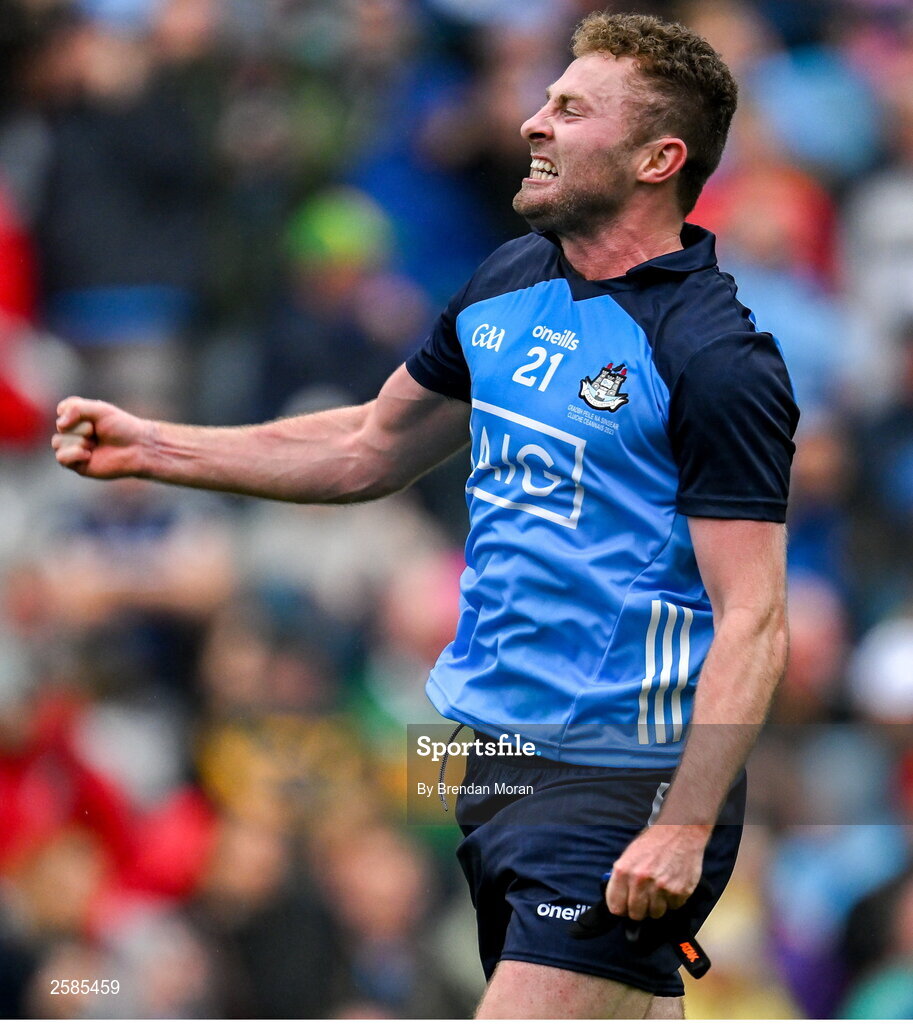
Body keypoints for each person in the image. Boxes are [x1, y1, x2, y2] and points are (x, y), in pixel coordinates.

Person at [52, 11, 799, 1020]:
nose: (532, 121)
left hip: (625, 774)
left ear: (658, 157)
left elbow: (752, 614)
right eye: (542, 97)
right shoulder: (504, 282)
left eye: (570, 108)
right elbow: (370, 444)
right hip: (492, 764)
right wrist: (156, 447)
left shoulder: (715, 356)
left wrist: (687, 820)